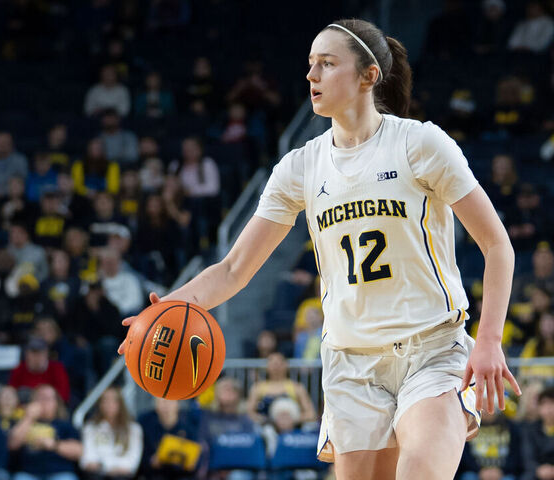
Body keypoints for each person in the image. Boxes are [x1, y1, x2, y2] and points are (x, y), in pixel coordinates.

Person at [119, 18, 521, 480]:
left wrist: (489, 341)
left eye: (327, 64)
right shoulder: (300, 167)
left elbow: (497, 244)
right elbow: (232, 270)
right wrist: (160, 312)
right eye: (311, 64)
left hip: (430, 349)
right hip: (351, 363)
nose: (311, 75)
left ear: (368, 76)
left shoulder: (419, 144)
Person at [8, 384, 82, 480]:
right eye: (39, 398)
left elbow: (78, 452)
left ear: (56, 403)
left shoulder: (65, 425)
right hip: (28, 473)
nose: (43, 402)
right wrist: (28, 418)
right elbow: (12, 444)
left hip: (59, 472)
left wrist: (54, 445)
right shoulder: (23, 422)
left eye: (47, 399)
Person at [80, 387, 143, 479]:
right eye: (105, 400)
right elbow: (88, 459)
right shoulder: (90, 427)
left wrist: (108, 467)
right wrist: (108, 468)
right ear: (100, 404)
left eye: (113, 400)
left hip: (122, 476)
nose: (109, 404)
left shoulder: (133, 429)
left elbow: (132, 462)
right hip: (97, 475)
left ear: (120, 404)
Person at [246, 352, 317, 425]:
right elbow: (249, 413)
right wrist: (267, 420)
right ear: (267, 366)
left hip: (293, 429)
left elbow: (311, 414)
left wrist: (292, 420)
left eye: (279, 363)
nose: (276, 367)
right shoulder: (257, 388)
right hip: (265, 428)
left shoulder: (297, 388)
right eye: (273, 364)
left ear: (286, 365)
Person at [521, 387, 554, 480]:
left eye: (552, 403)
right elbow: (527, 457)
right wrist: (538, 469)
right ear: (539, 407)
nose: (549, 408)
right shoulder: (530, 430)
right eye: (544, 404)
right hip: (536, 473)